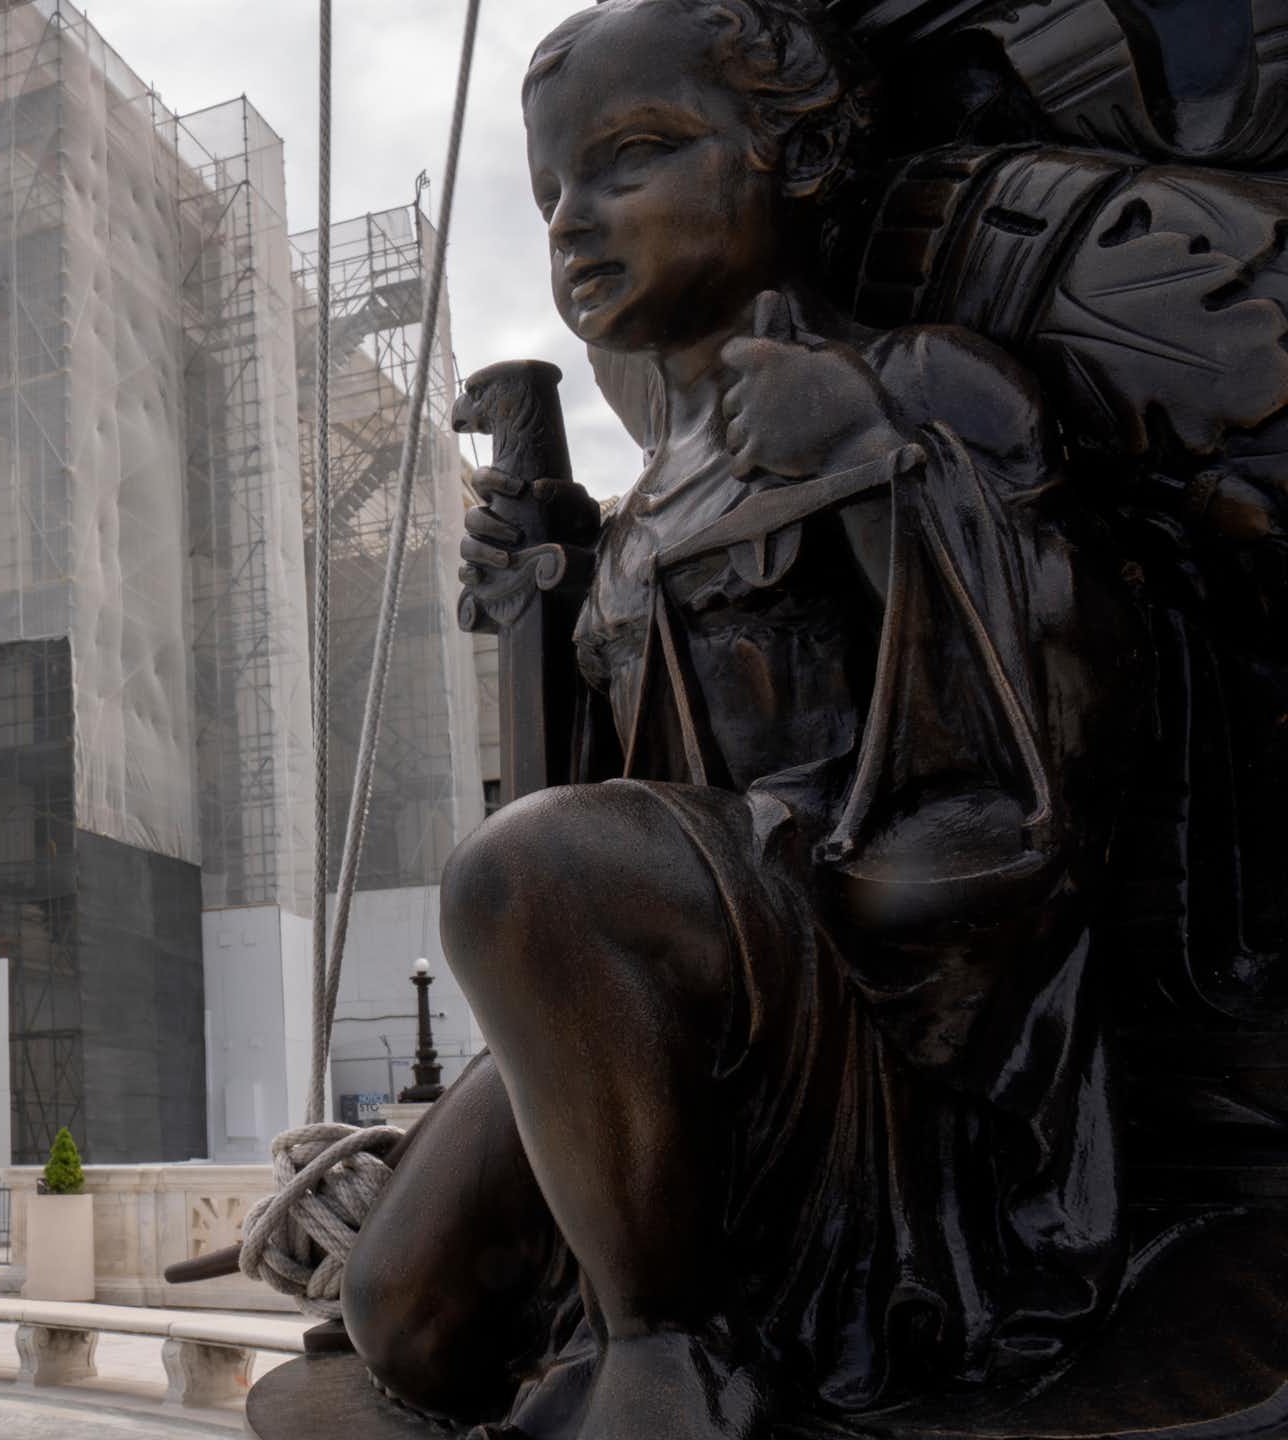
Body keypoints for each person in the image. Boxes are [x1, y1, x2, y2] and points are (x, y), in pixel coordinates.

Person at [337, 2, 1147, 1436]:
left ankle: (677, 1358)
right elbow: (591, 837)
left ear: (806, 154)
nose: (575, 224)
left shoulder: (921, 388)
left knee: (529, 875)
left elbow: (1036, 765)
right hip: (688, 978)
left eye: (633, 157)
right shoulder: (652, 505)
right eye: (549, 192)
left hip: (878, 996)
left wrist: (878, 460)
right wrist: (555, 584)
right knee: (403, 1322)